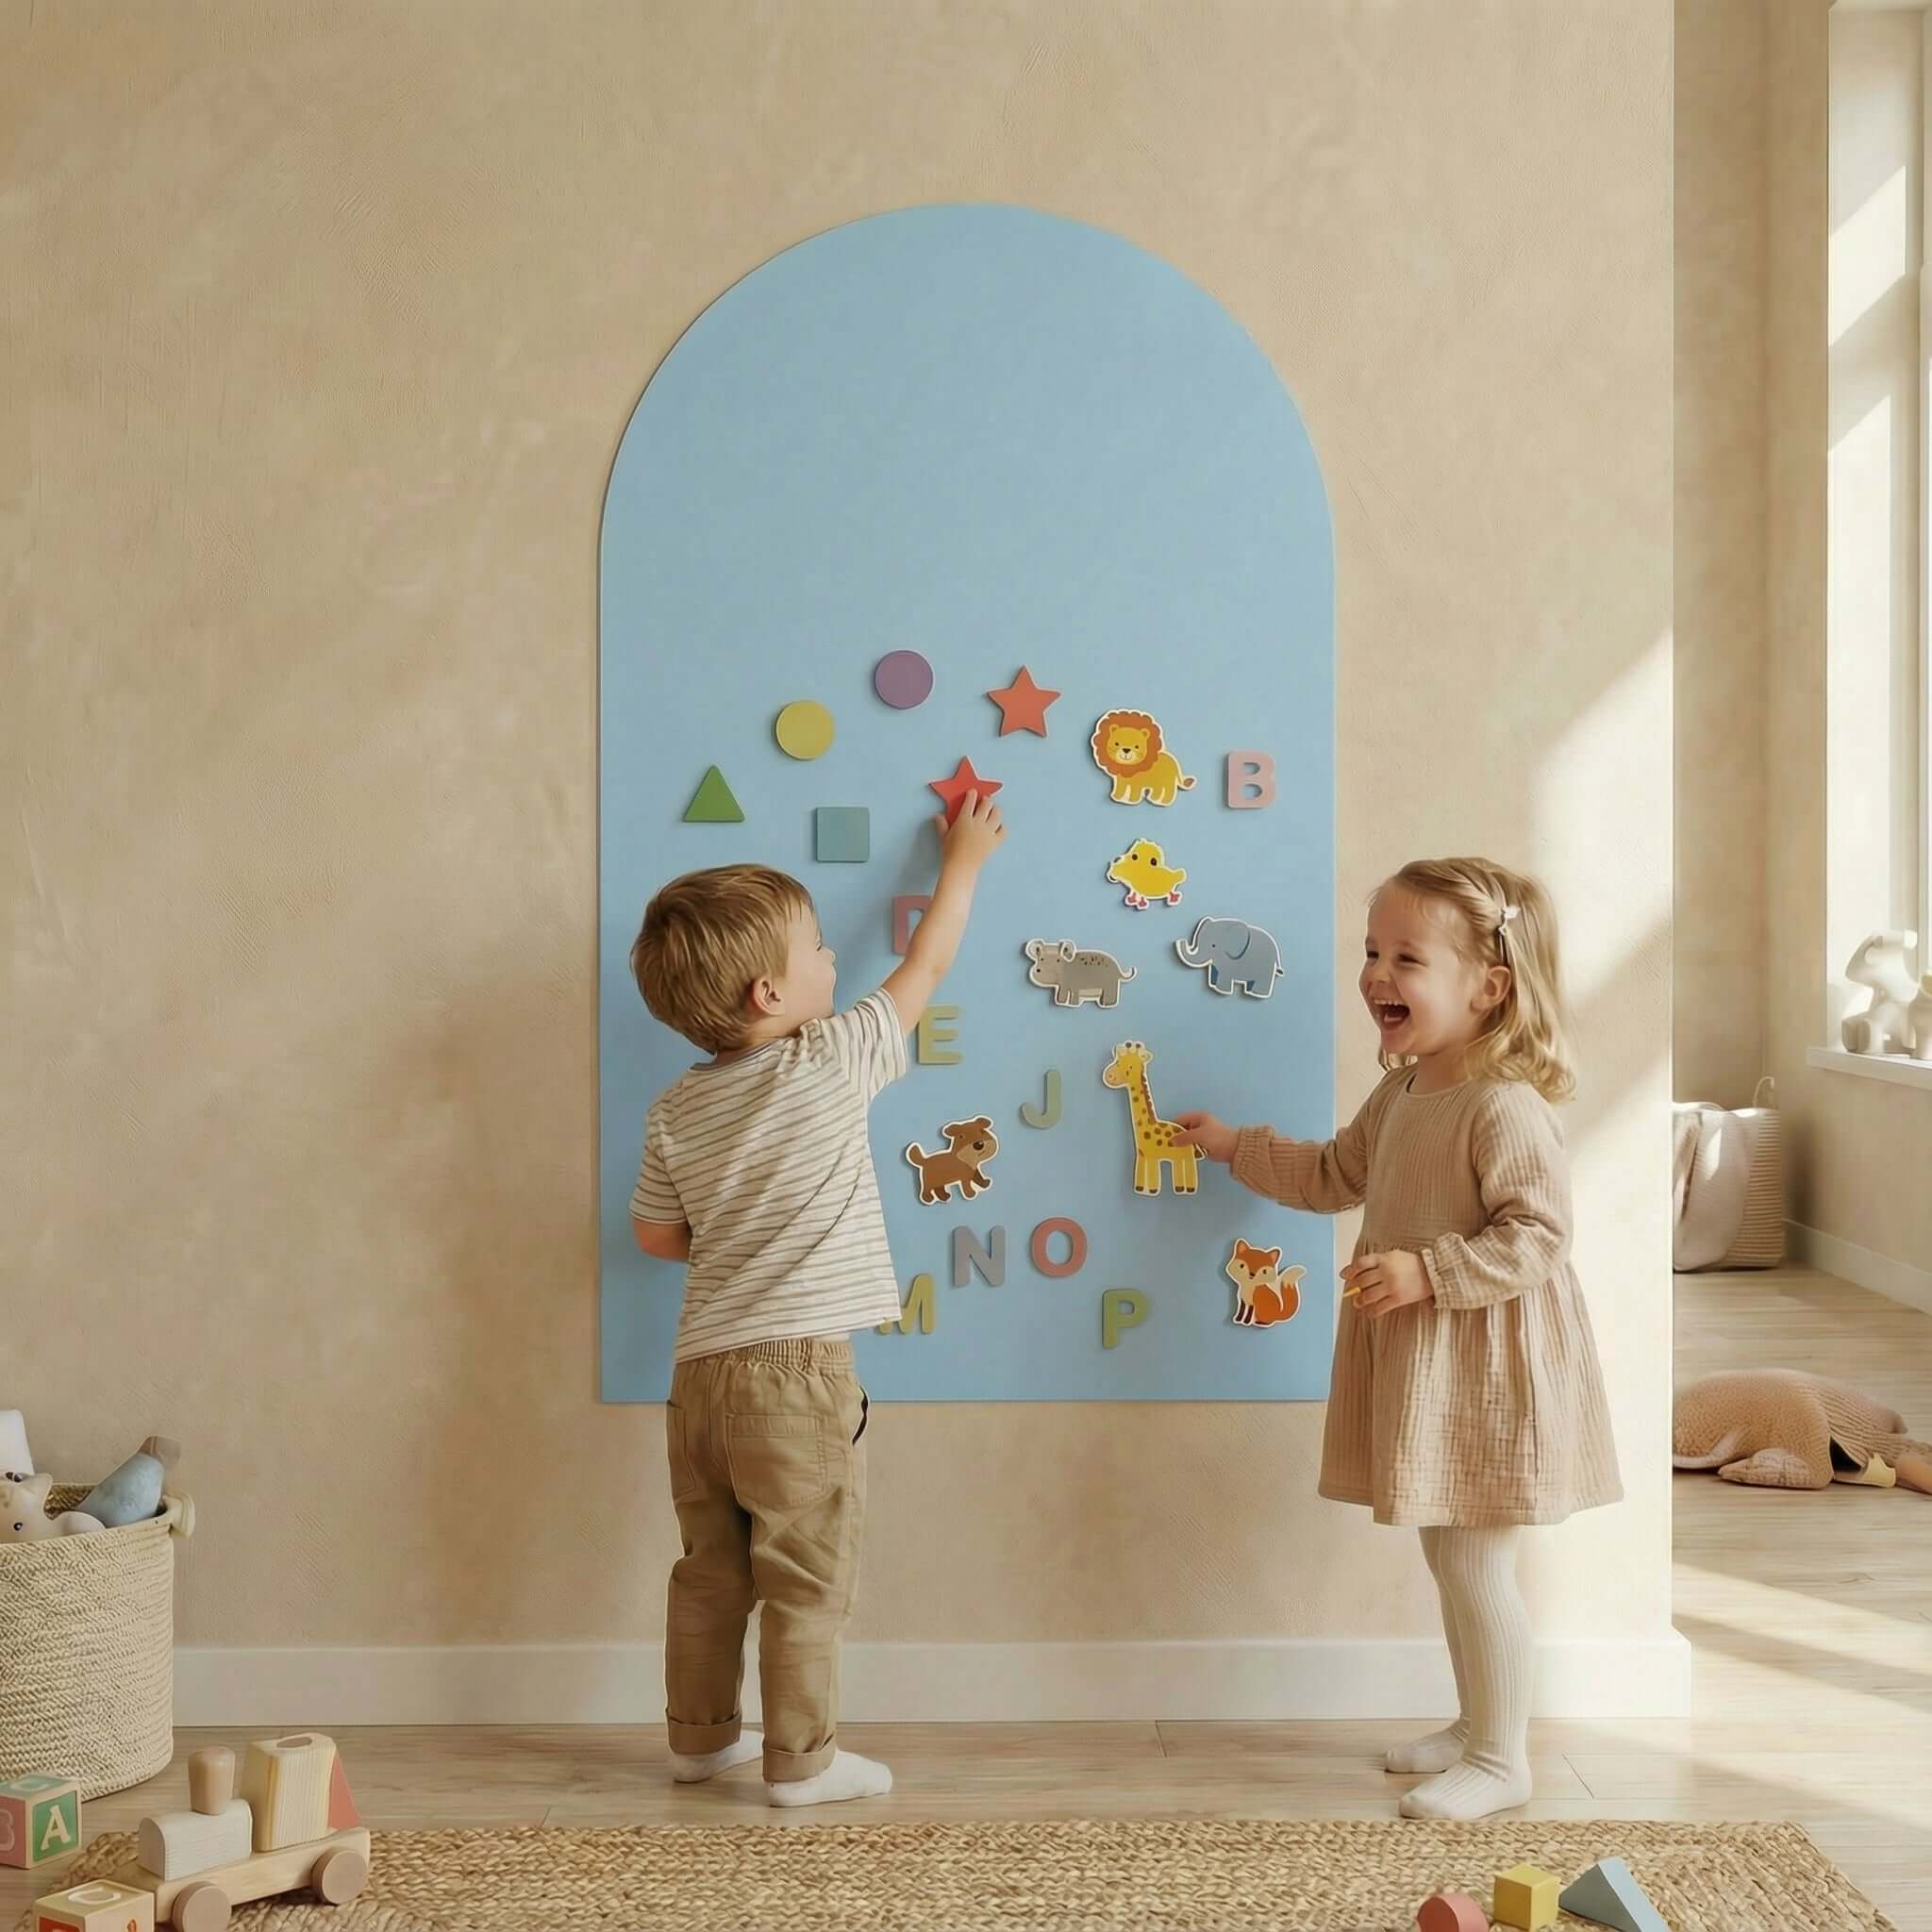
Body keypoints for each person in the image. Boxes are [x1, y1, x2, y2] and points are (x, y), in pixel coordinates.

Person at [1176, 857, 1620, 1821]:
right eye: (1371, 951)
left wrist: (1429, 1270)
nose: (1377, 972)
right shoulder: (1406, 1090)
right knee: (1445, 1552)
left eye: (1405, 956)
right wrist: (1230, 1145)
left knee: (1471, 1560)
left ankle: (1503, 1758)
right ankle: (1476, 1726)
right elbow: (1335, 1172)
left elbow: (1539, 1233)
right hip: (1438, 1364)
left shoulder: (1501, 1103)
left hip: (1492, 1367)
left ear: (1486, 985)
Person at [627, 794, 1007, 1806]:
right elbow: (924, 965)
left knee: (709, 1569)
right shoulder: (827, 1056)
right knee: (803, 1572)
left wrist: (738, 1228)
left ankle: (699, 1740)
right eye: (817, 947)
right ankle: (800, 1758)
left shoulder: (672, 1106)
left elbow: (656, 1236)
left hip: (696, 1376)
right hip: (796, 1373)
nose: (833, 959)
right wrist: (961, 859)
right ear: (768, 992)